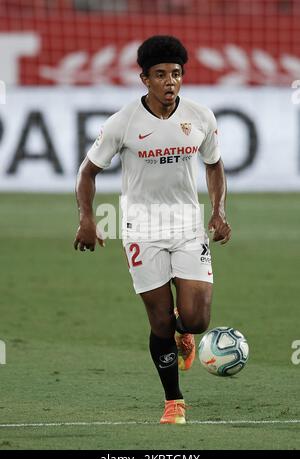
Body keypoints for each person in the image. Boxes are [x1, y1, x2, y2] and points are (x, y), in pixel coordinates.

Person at [74, 35, 231, 424]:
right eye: (160, 75)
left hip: (186, 226)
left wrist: (218, 211)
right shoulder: (122, 122)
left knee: (196, 319)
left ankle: (185, 333)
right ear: (144, 79)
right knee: (159, 321)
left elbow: (213, 165)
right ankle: (174, 400)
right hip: (141, 230)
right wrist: (87, 220)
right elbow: (88, 172)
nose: (169, 82)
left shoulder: (200, 117)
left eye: (176, 74)